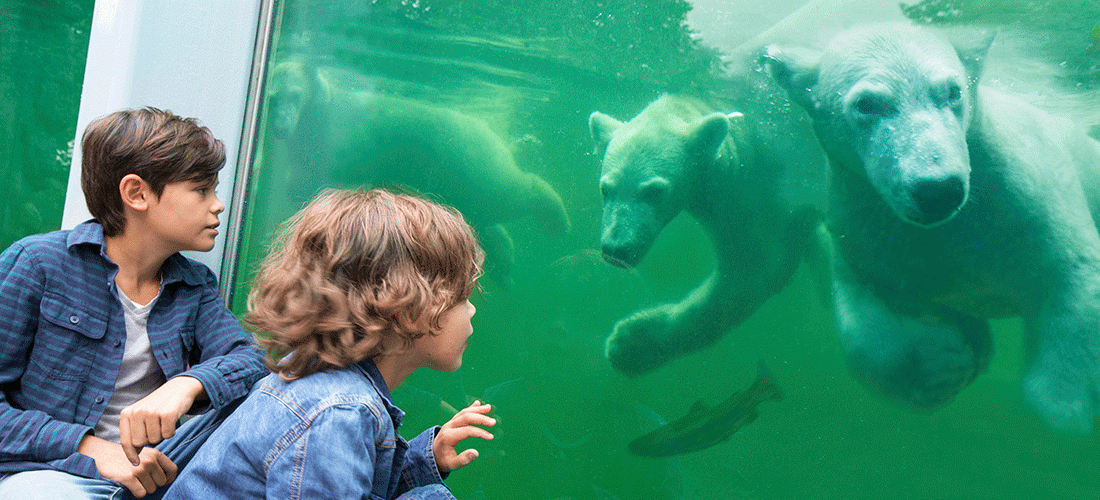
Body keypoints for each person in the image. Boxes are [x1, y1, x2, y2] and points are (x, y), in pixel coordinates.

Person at [0, 107, 267, 499]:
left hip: (154, 480)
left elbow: (251, 360)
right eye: (201, 190)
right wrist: (90, 448)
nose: (218, 205)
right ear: (136, 193)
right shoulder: (39, 264)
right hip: (48, 474)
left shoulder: (194, 287)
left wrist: (186, 384)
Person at [164, 188, 496, 500]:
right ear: (409, 311)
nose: (472, 310)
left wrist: (427, 459)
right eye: (461, 297)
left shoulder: (322, 385)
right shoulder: (338, 413)